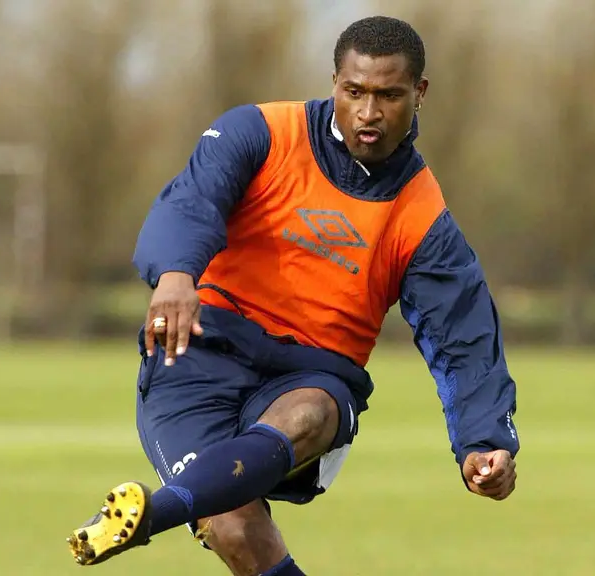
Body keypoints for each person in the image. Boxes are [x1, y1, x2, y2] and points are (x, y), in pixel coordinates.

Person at [66, 15, 519, 575]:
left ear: (419, 92)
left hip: (311, 374)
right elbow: (192, 200)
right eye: (354, 91)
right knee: (232, 524)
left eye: (388, 95)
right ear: (334, 82)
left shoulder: (422, 216)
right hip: (197, 352)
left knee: (310, 412)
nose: (368, 112)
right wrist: (176, 275)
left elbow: (463, 338)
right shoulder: (260, 132)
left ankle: (151, 515)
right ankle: (167, 510)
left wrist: (483, 440)